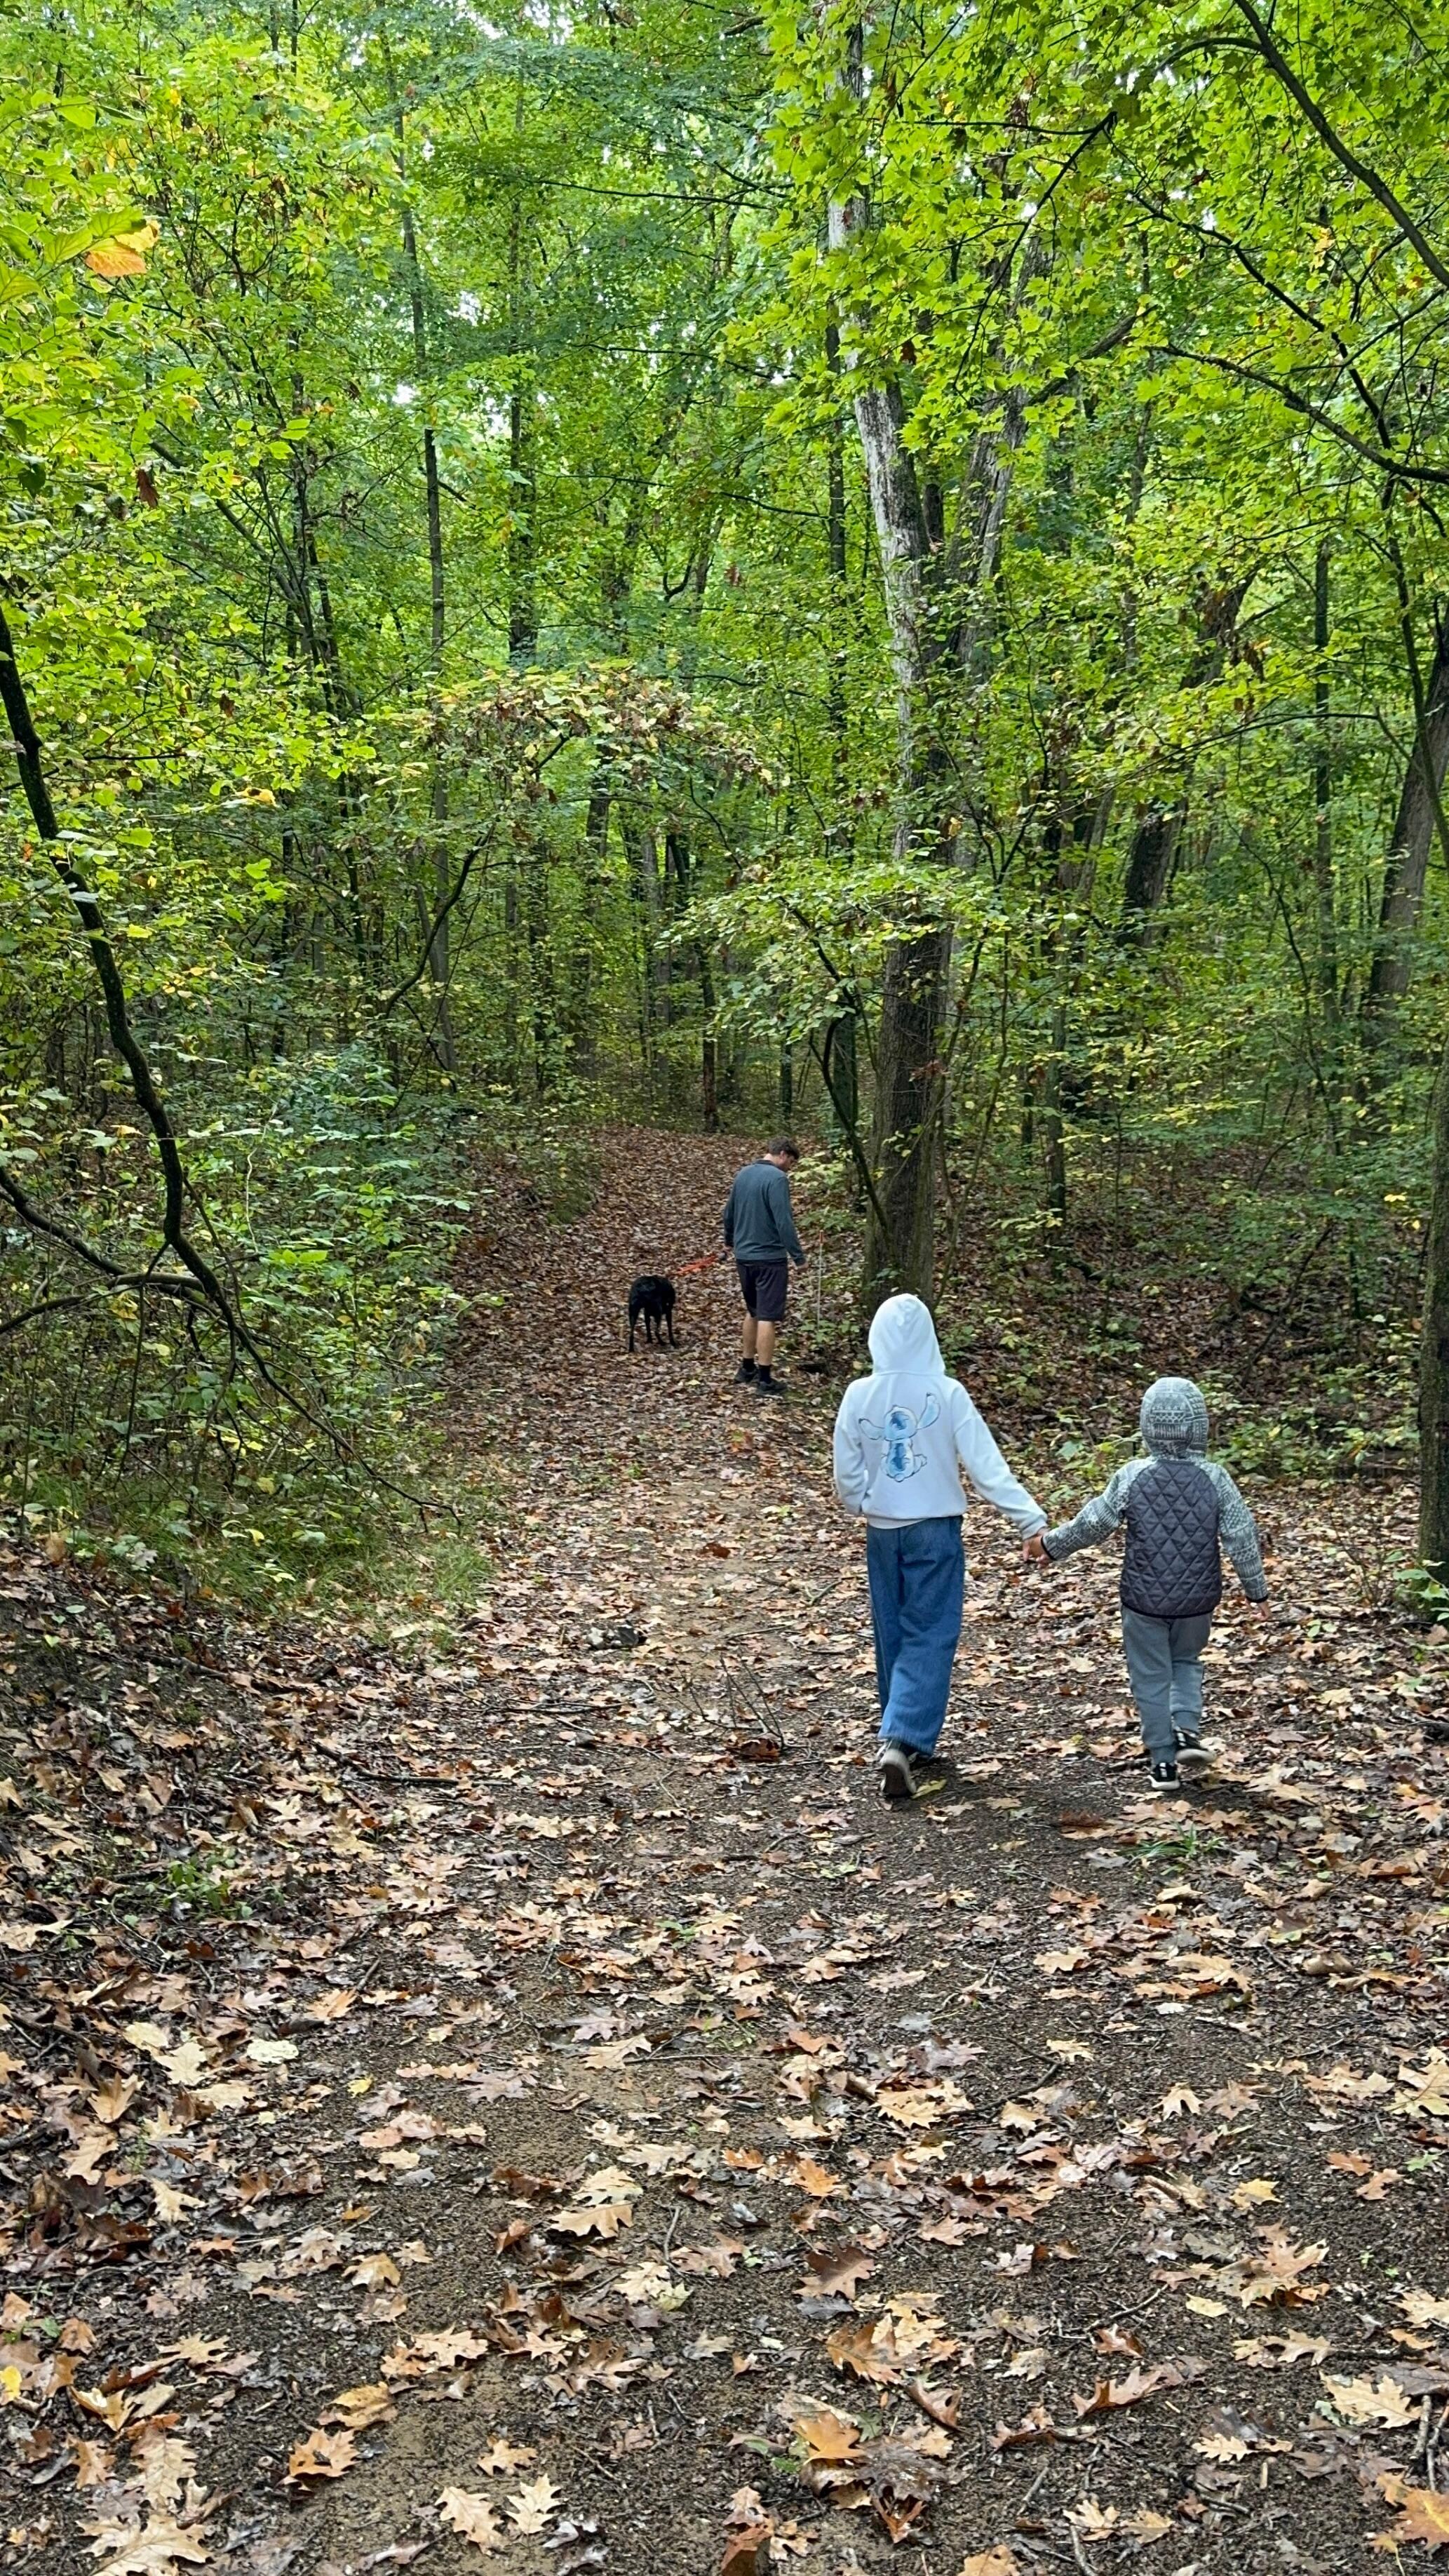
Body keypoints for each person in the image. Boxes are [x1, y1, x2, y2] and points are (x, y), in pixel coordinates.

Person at [833, 1294, 1046, 1802]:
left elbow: (847, 1464)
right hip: (935, 1527)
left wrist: (859, 1501)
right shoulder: (948, 1394)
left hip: (883, 1530)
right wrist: (1029, 1521)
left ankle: (902, 1733)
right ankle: (903, 1735)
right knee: (929, 1630)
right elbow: (985, 1464)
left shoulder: (859, 1394)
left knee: (891, 1627)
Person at [1025, 1374, 1267, 1791]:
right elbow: (1241, 1534)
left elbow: (1095, 1522)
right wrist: (1256, 1590)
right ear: (1199, 1426)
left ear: (1147, 1427)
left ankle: (1162, 1762)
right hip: (1197, 1600)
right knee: (1187, 1661)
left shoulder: (1133, 1475)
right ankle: (1188, 1729)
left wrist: (1052, 1546)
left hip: (1143, 1600)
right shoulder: (1215, 1478)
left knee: (1150, 1674)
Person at [722, 1137, 804, 1398]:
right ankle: (765, 1378)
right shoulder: (777, 1179)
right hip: (769, 1258)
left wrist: (729, 1242)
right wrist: (798, 1256)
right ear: (782, 1154)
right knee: (768, 1316)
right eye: (790, 1162)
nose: (789, 1168)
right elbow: (784, 1221)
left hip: (744, 1256)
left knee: (754, 1311)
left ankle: (746, 1368)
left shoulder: (744, 1174)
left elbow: (729, 1213)